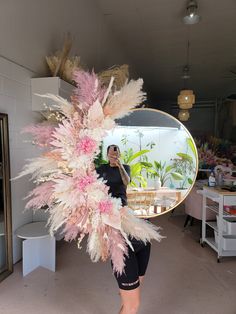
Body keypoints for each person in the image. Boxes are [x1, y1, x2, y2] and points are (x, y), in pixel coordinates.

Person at [97, 145, 151, 314]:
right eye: (112, 152)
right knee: (132, 305)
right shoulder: (101, 169)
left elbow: (127, 181)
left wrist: (119, 165)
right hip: (111, 220)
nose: (114, 154)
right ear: (107, 154)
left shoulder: (124, 167)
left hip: (126, 215)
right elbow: (94, 193)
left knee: (136, 285)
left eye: (117, 152)